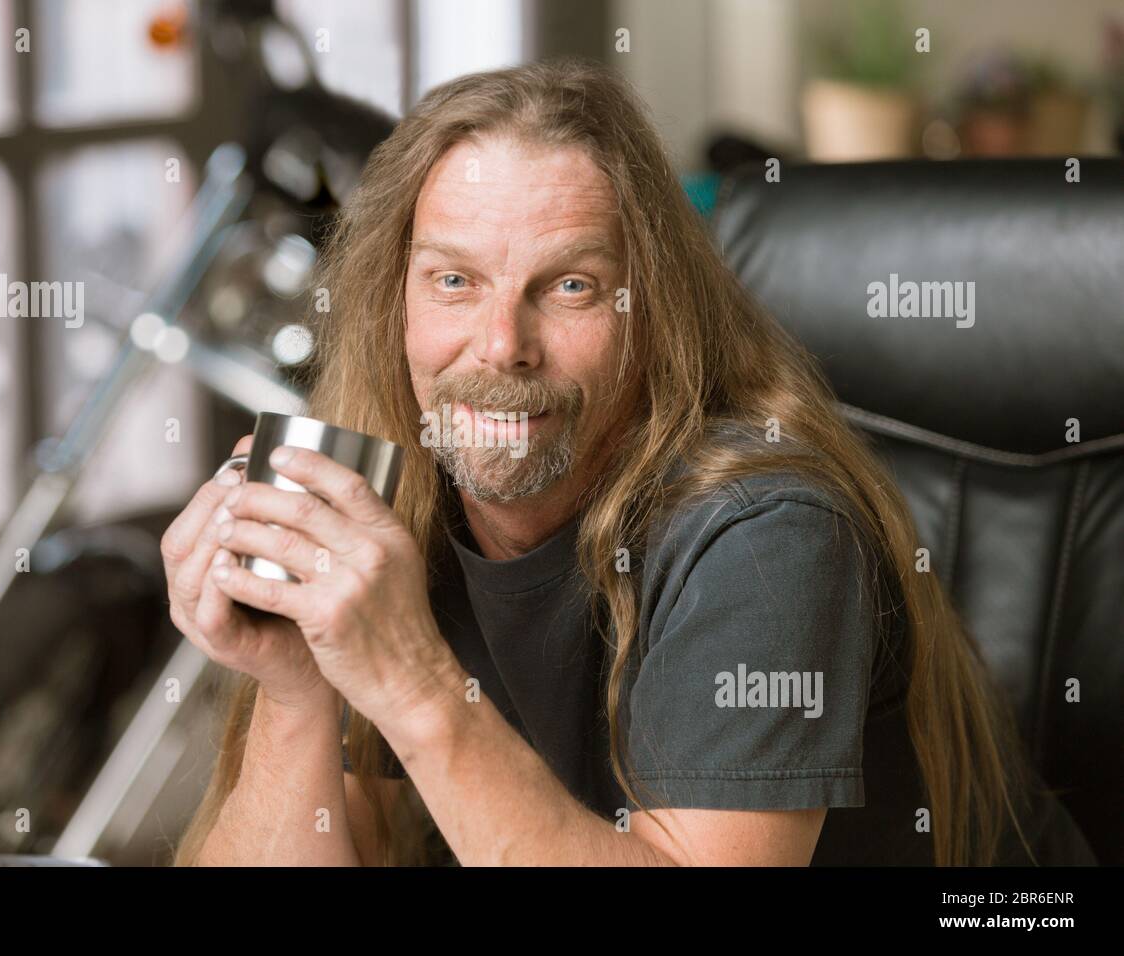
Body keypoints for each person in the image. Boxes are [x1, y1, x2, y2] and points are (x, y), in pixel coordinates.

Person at [164, 59, 1096, 866]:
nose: (501, 345)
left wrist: (409, 677)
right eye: (454, 280)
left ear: (650, 315)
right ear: (393, 305)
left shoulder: (767, 534)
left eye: (569, 286)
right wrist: (297, 684)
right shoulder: (398, 502)